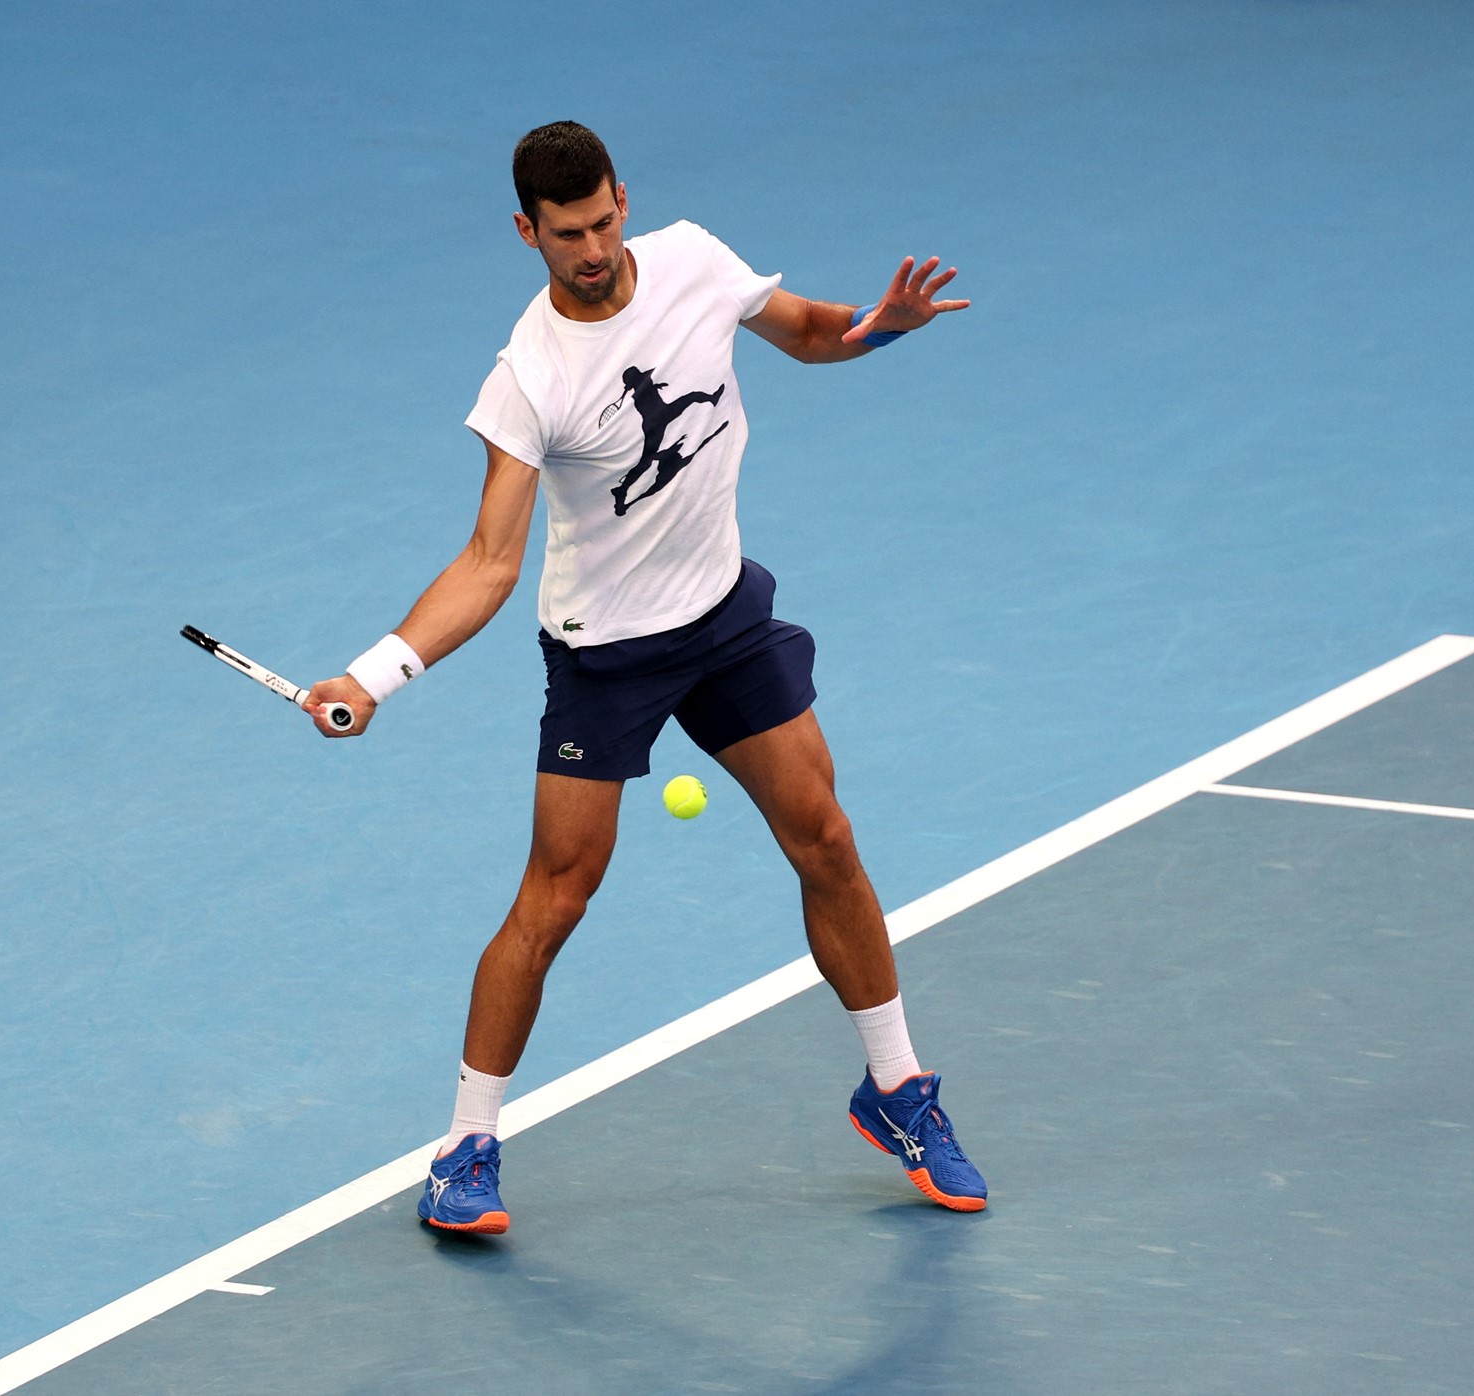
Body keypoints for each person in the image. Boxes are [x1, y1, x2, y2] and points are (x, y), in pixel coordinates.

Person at [306, 121, 986, 1234]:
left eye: (605, 220)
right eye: (567, 234)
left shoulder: (693, 261)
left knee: (824, 836)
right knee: (556, 896)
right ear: (526, 232)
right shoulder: (528, 376)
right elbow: (487, 563)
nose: (593, 248)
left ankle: (897, 1088)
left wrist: (879, 329)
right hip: (605, 657)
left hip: (722, 617)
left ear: (625, 198)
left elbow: (812, 335)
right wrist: (375, 675)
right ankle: (464, 1146)